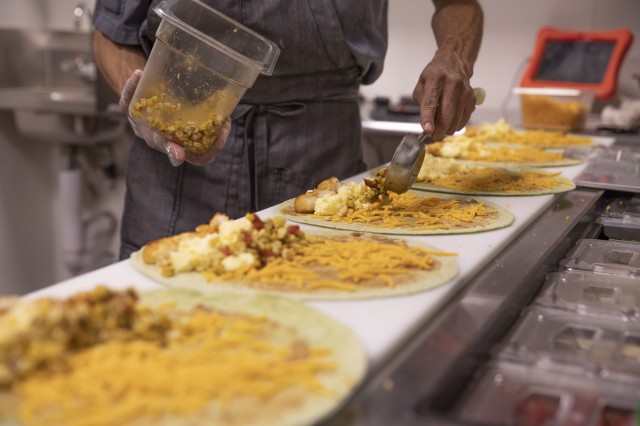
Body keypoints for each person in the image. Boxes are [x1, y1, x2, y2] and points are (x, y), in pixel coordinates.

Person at [92, 0, 484, 259]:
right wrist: (153, 106)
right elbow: (112, 33)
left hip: (322, 155)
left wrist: (455, 56)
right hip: (175, 175)